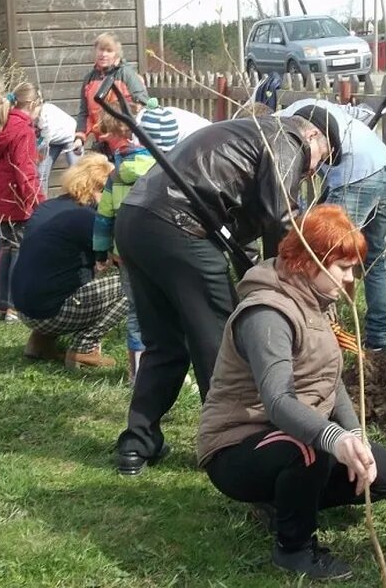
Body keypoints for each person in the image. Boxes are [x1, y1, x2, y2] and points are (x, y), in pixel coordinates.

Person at [115, 108, 343, 476]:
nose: (314, 170)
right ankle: (230, 445)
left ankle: (137, 443)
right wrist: (289, 289)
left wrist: (258, 279)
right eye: (323, 159)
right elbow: (281, 218)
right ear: (314, 137)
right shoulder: (288, 139)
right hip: (180, 227)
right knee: (221, 342)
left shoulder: (247, 136)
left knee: (164, 344)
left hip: (136, 219)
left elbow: (245, 233)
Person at [198, 204, 386, 580]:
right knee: (307, 449)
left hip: (290, 434)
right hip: (239, 444)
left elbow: (328, 380)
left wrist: (354, 435)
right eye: (342, 267)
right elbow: (277, 402)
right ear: (311, 262)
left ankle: (282, 501)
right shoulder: (267, 314)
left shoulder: (315, 303)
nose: (349, 279)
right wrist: (333, 438)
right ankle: (294, 548)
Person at [278, 98, 386, 352]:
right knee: (374, 260)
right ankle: (378, 338)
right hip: (384, 167)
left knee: (327, 256)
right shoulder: (309, 106)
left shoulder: (283, 125)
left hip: (356, 177)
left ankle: (325, 338)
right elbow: (361, 114)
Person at [12, 153, 127, 368]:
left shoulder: (48, 207)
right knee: (131, 283)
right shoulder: (87, 218)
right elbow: (120, 257)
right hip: (52, 312)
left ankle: (40, 342)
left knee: (56, 274)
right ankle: (84, 348)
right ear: (98, 189)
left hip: (24, 308)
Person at [93, 105, 180, 382]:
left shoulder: (116, 174)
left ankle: (138, 373)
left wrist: (100, 252)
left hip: (126, 254)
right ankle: (167, 366)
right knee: (167, 308)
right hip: (161, 253)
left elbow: (104, 216)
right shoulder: (168, 173)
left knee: (135, 310)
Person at [0, 82, 45, 322]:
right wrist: (37, 200)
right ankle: (13, 306)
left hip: (0, 196)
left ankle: (2, 304)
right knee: (19, 249)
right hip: (18, 198)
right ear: (32, 104)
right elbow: (24, 168)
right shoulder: (23, 129)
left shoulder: (0, 125)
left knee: (6, 248)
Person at [73, 32, 149, 157]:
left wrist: (122, 129)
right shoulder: (89, 79)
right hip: (102, 144)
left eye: (109, 51)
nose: (103, 54)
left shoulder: (126, 74)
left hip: (126, 144)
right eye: (101, 50)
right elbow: (84, 113)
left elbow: (142, 105)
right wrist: (79, 138)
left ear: (117, 54)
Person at [36, 101, 79, 195]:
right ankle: (41, 204)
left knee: (77, 173)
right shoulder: (31, 114)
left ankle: (83, 203)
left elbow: (43, 142)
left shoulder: (44, 114)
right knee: (41, 174)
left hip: (71, 135)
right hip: (53, 140)